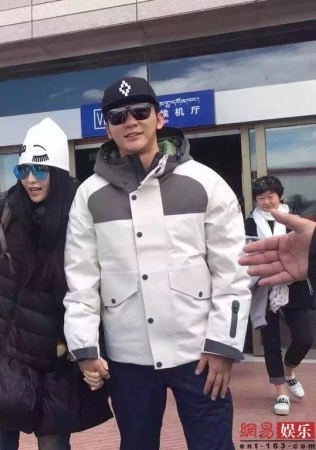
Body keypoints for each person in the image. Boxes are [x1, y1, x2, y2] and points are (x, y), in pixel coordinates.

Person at [63, 77, 251, 450]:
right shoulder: (89, 195)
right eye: (118, 116)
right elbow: (81, 279)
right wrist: (84, 348)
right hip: (128, 358)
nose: (130, 121)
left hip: (200, 353)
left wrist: (223, 345)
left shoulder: (205, 182)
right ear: (108, 128)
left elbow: (232, 272)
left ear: (159, 118)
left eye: (140, 111)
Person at [0, 118, 112, 450]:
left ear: (58, 172)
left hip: (58, 358)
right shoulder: (8, 208)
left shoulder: (81, 212)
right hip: (8, 352)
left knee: (53, 444)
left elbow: (100, 286)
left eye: (40, 170)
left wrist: (94, 351)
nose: (31, 180)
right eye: (23, 170)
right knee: (0, 440)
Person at [244, 176, 314, 415]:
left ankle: (289, 371)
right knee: (271, 342)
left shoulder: (294, 219)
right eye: (261, 198)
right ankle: (281, 391)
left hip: (293, 283)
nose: (266, 202)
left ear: (280, 196)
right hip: (263, 285)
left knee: (304, 338)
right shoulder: (248, 224)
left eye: (271, 196)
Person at [240, 210, 316, 287]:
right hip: (265, 277)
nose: (266, 203)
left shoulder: (294, 216)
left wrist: (312, 244)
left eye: (270, 197)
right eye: (261, 200)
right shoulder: (250, 222)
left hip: (297, 280)